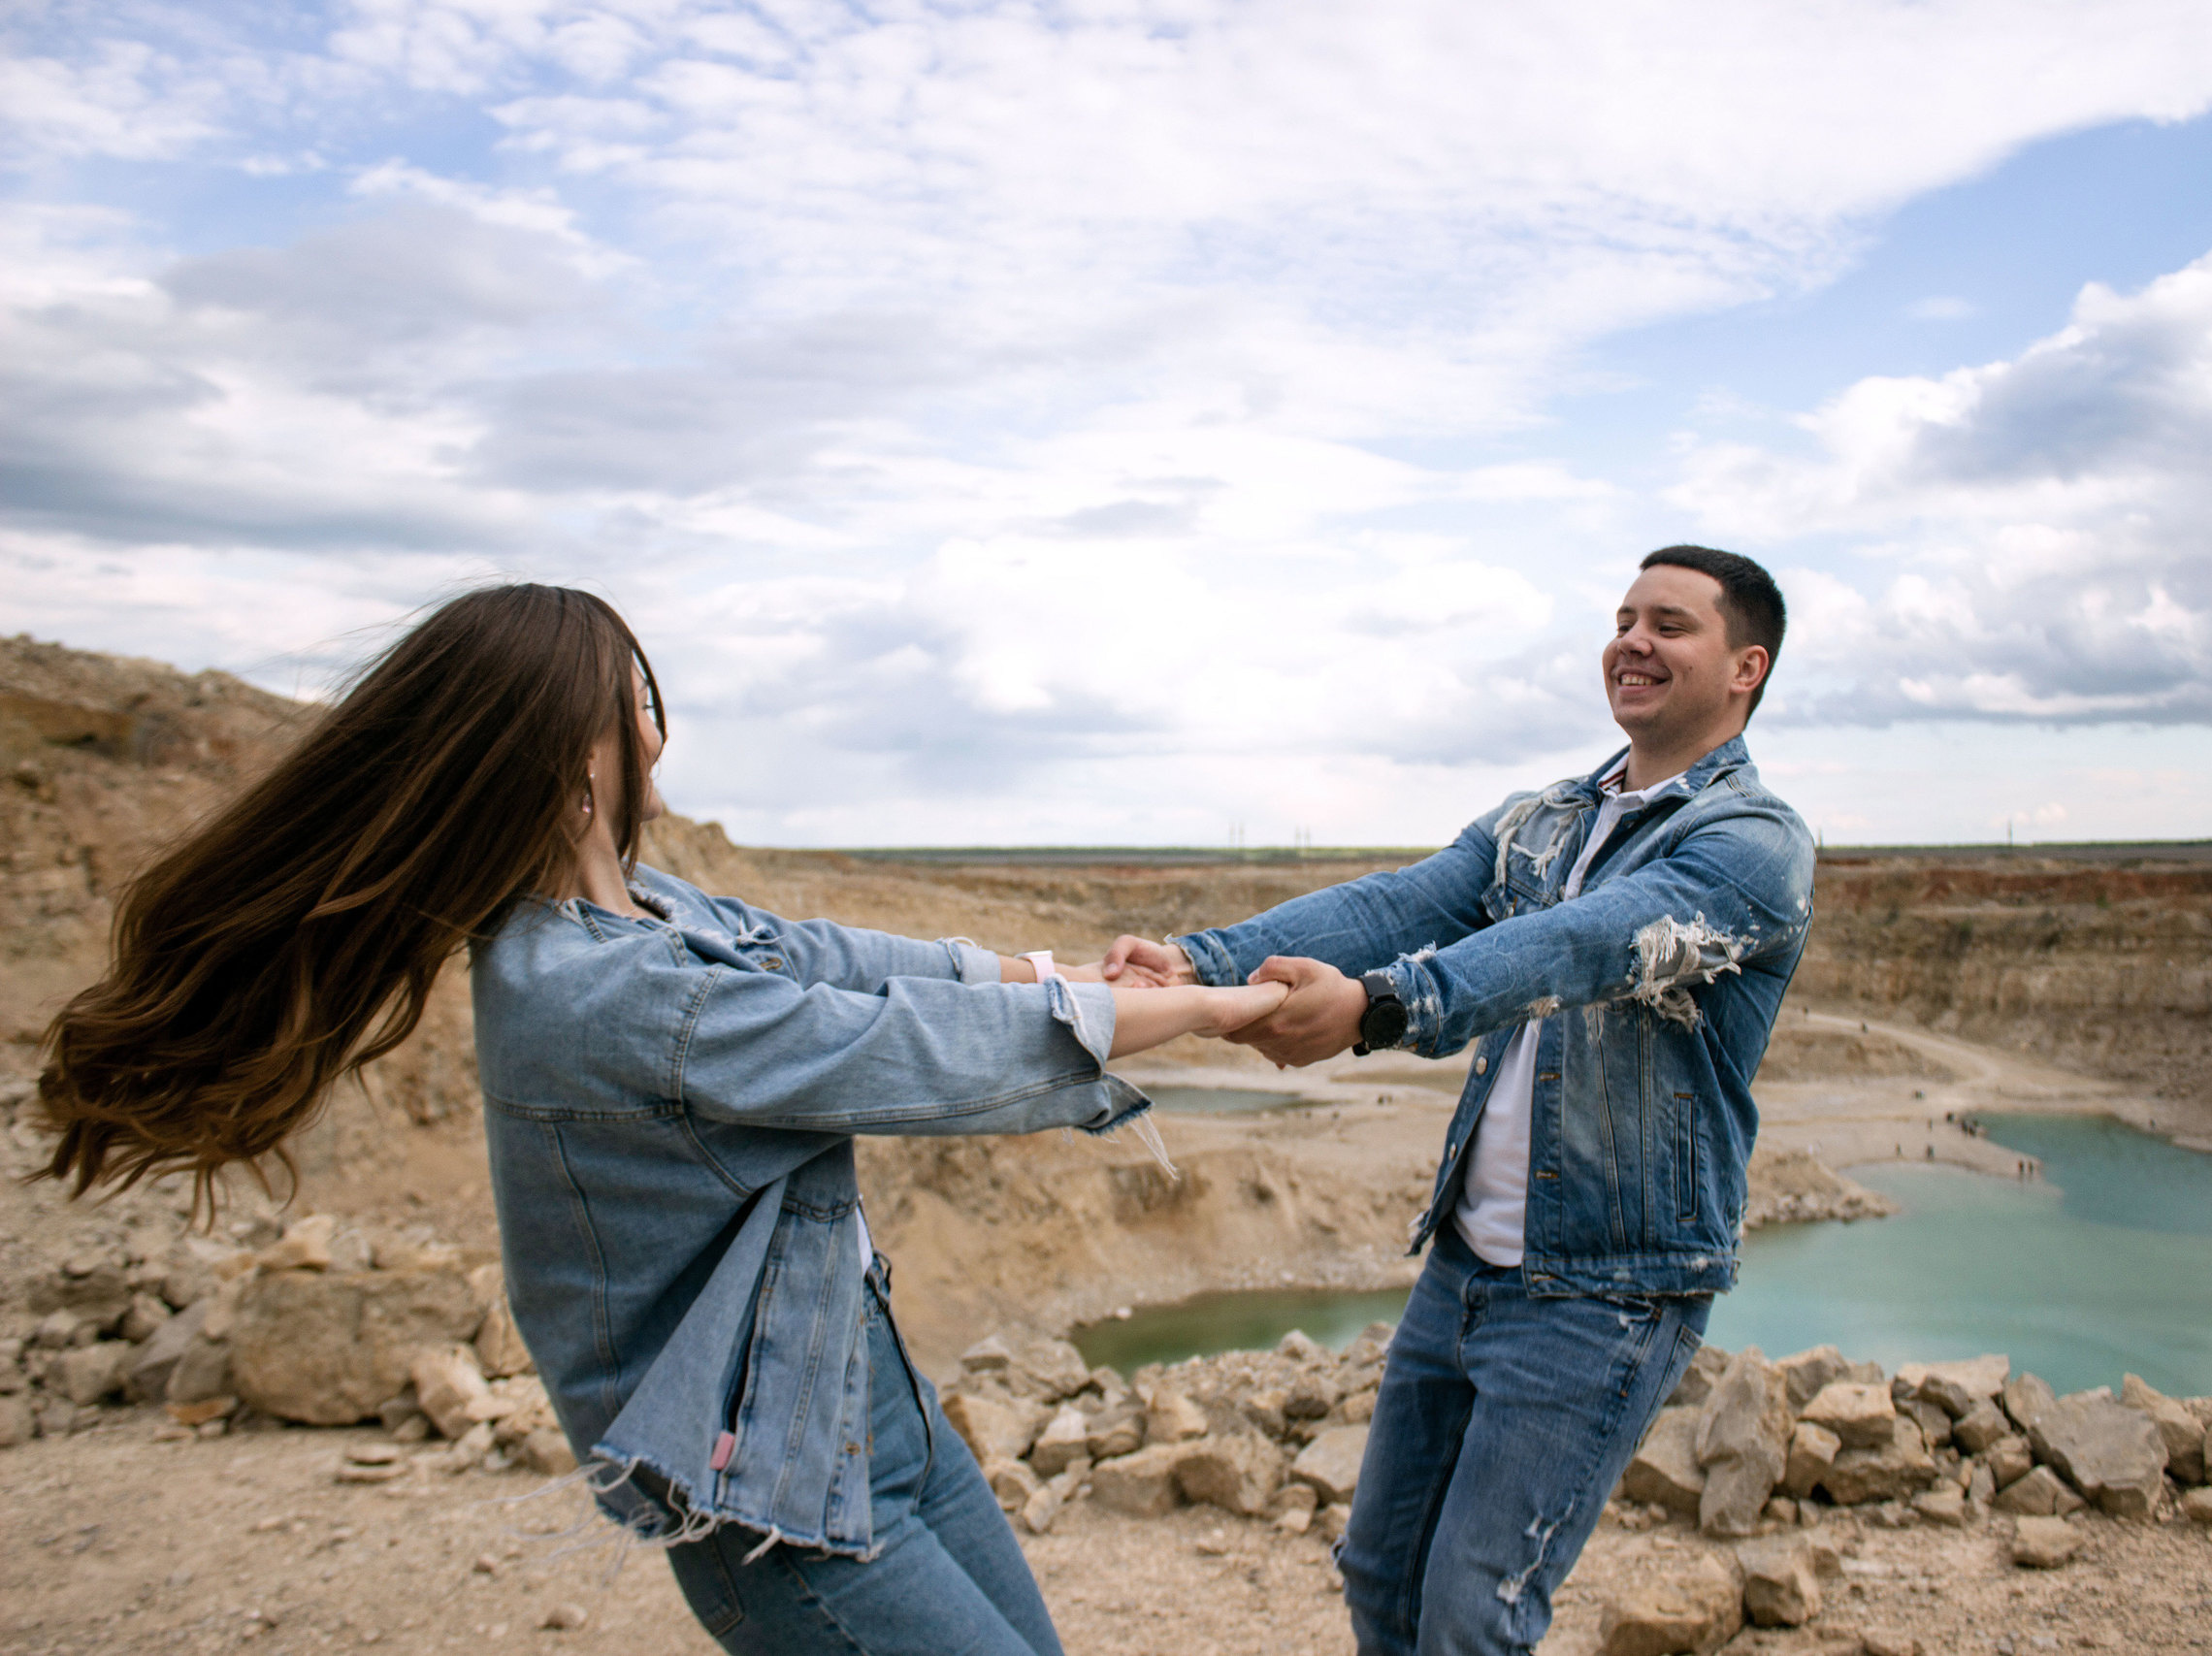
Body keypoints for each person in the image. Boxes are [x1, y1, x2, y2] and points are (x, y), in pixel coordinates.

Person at [32, 584, 1287, 1656]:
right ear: (572, 749)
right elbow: (895, 1047)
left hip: (869, 1415)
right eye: (631, 701)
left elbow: (836, 957)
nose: (653, 727)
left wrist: (1076, 976)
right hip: (775, 1497)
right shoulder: (599, 989)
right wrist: (1215, 1016)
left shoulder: (647, 914)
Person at [1104, 546, 1814, 1656]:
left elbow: (1576, 946)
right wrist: (1200, 962)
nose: (1631, 640)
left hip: (1604, 1290)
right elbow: (1404, 902)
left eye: (1669, 625)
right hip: (1464, 1271)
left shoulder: (1750, 845)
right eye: (1623, 617)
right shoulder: (1546, 818)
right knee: (1382, 1577)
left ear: (1744, 667)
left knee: (1472, 1613)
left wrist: (1381, 1009)